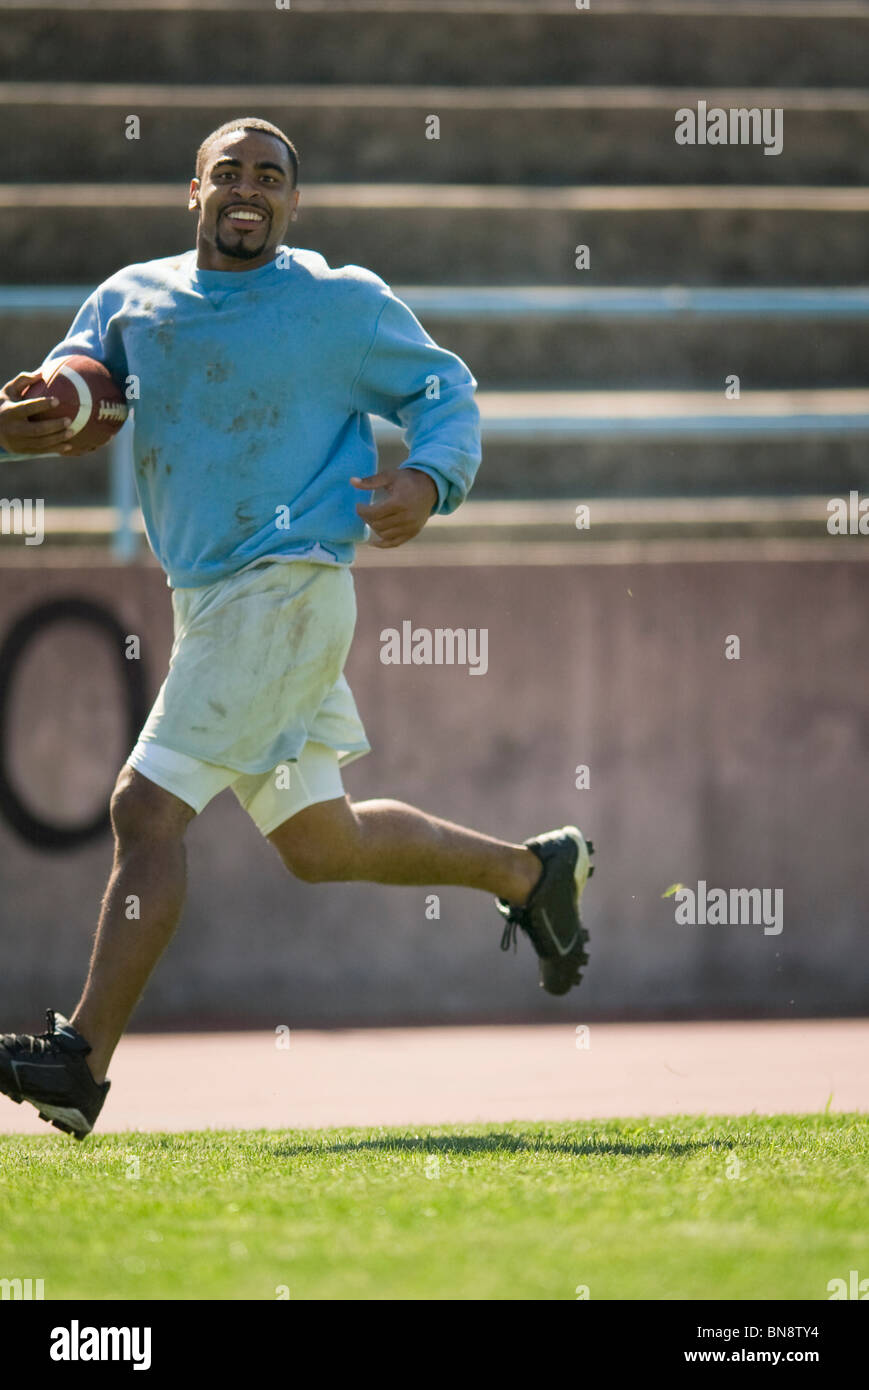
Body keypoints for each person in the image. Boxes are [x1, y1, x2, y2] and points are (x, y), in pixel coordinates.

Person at [0, 118, 594, 1140]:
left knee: (145, 809)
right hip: (211, 602)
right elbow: (69, 388)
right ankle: (529, 872)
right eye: (227, 173)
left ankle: (80, 1061)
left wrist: (428, 476)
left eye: (268, 178)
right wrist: (23, 419)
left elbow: (444, 388)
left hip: (287, 587)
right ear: (192, 189)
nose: (247, 190)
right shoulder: (130, 298)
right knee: (324, 842)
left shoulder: (340, 304)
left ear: (291, 203)